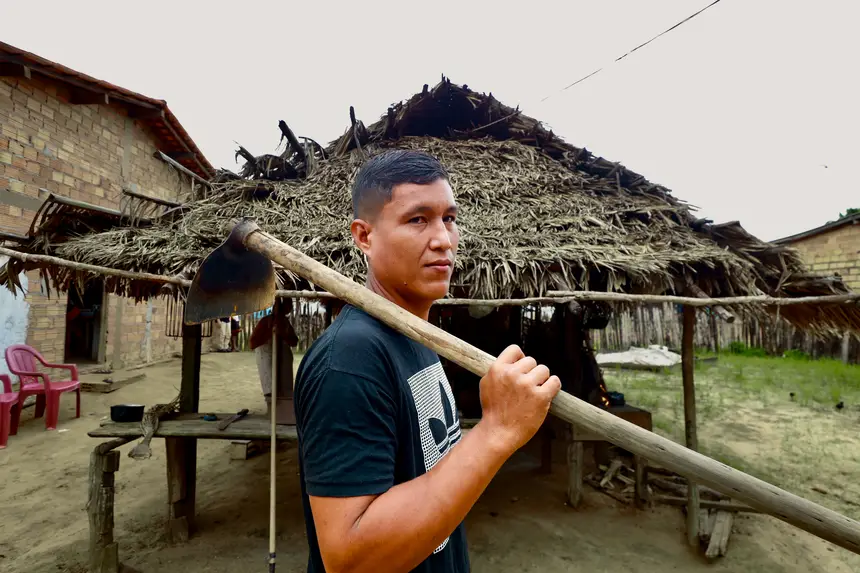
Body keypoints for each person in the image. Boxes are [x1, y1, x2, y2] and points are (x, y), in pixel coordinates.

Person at [293, 149, 561, 573]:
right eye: (417, 219)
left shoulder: (418, 337)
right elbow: (350, 558)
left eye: (448, 218)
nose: (443, 239)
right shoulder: (350, 359)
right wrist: (495, 431)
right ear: (364, 236)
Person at [250, 300, 299, 423]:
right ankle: (271, 411)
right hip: (266, 353)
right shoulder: (266, 322)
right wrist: (271, 334)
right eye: (288, 305)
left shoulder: (284, 322)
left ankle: (283, 411)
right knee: (270, 382)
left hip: (283, 356)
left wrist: (283, 334)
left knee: (284, 383)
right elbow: (254, 341)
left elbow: (294, 341)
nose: (290, 308)